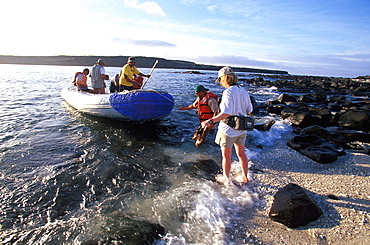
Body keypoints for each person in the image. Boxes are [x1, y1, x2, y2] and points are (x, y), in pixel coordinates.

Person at [201, 67, 253, 185]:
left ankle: (226, 179)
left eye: (220, 80)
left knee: (226, 156)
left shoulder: (228, 92)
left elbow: (226, 113)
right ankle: (245, 178)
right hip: (242, 128)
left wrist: (209, 121)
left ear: (224, 79)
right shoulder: (244, 91)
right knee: (241, 154)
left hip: (228, 130)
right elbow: (250, 109)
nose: (220, 82)